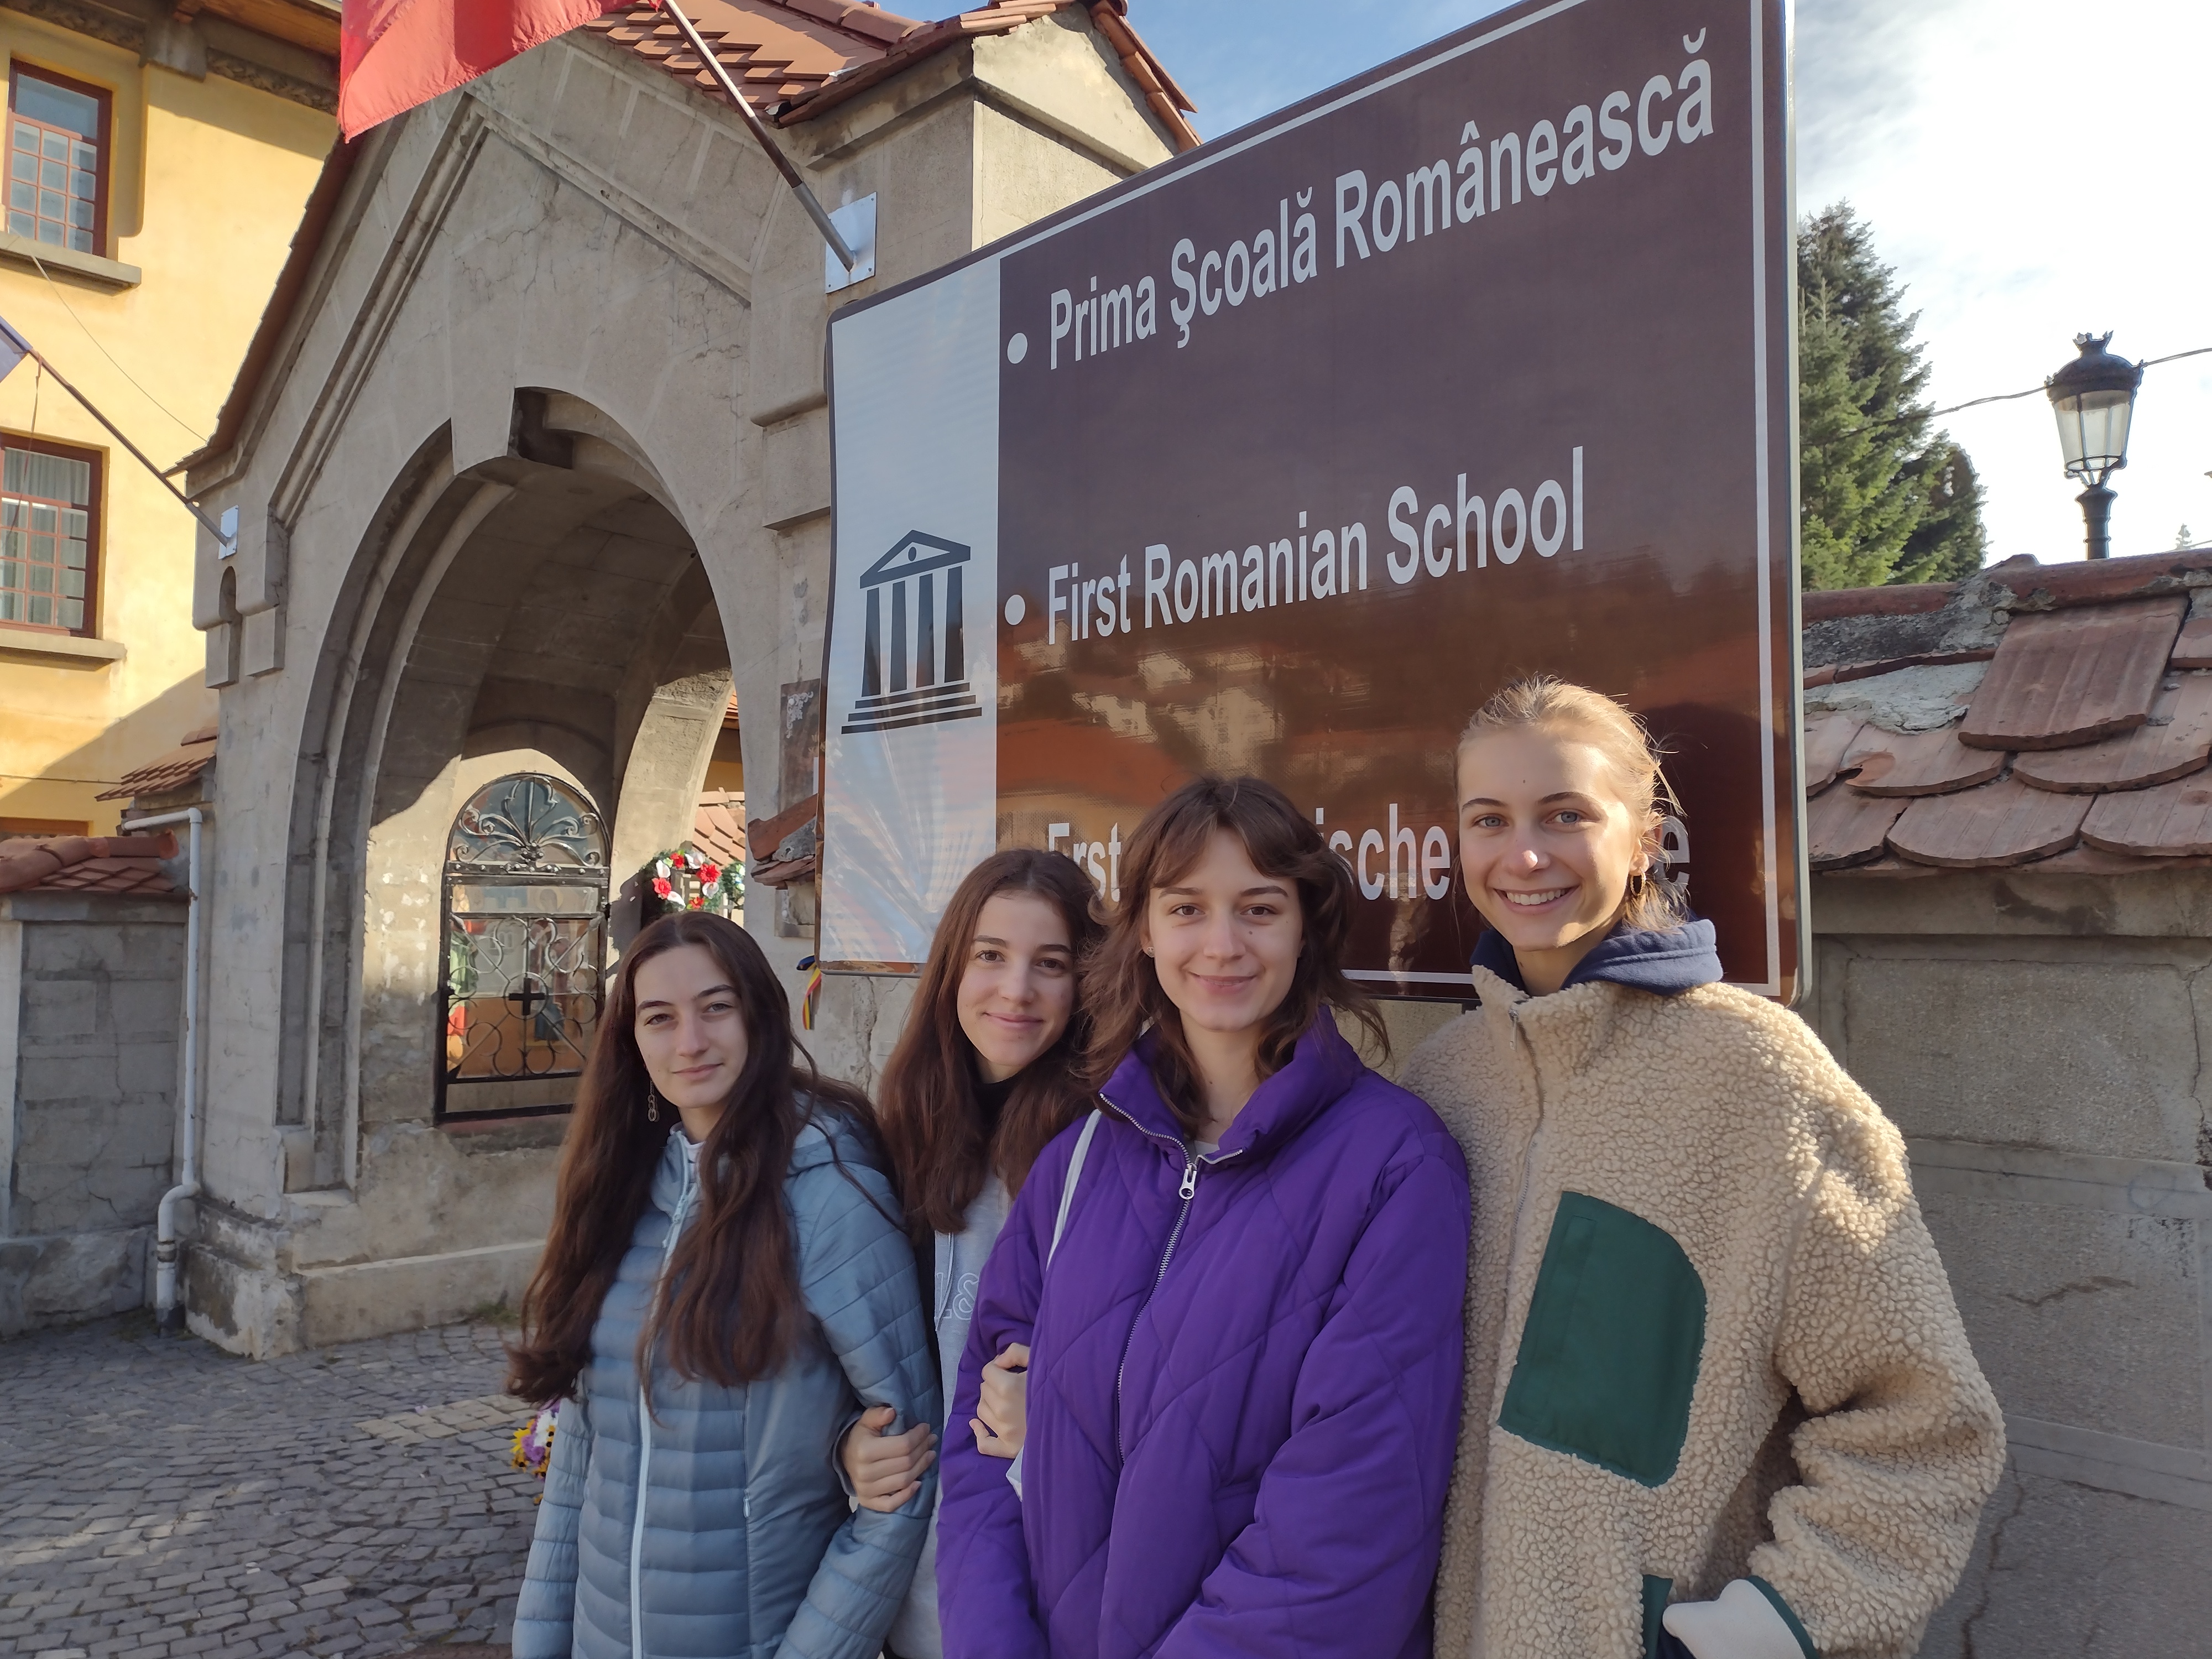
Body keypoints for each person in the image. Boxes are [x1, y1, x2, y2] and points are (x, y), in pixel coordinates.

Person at [1401, 677, 2004, 1659]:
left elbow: (1927, 1419)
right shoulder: (1442, 1082)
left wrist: (1768, 1632)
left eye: (1567, 815)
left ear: (1643, 837)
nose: (1523, 854)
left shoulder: (1760, 1079)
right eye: (1489, 820)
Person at [937, 776, 1472, 1659]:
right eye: (1186, 909)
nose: (1222, 945)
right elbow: (980, 1452)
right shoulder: (1078, 1161)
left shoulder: (1397, 1168)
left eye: (1259, 909)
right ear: (1144, 931)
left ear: (1307, 926)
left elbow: (1347, 1529)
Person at [507, 911, 937, 1659]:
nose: (691, 1042)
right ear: (631, 1043)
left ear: (757, 1015)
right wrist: (538, 1643)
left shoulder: (829, 1194)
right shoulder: (617, 1193)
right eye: (660, 1019)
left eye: (715, 1007)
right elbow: (581, 1451)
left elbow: (907, 1470)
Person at [837, 849, 1105, 1659]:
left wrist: (1055, 1413)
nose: (1016, 990)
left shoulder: (1106, 1148)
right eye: (991, 956)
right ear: (954, 966)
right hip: (910, 1599)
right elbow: (850, 1348)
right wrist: (846, 1445)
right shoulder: (899, 1137)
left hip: (1045, 1593)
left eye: (1050, 964)